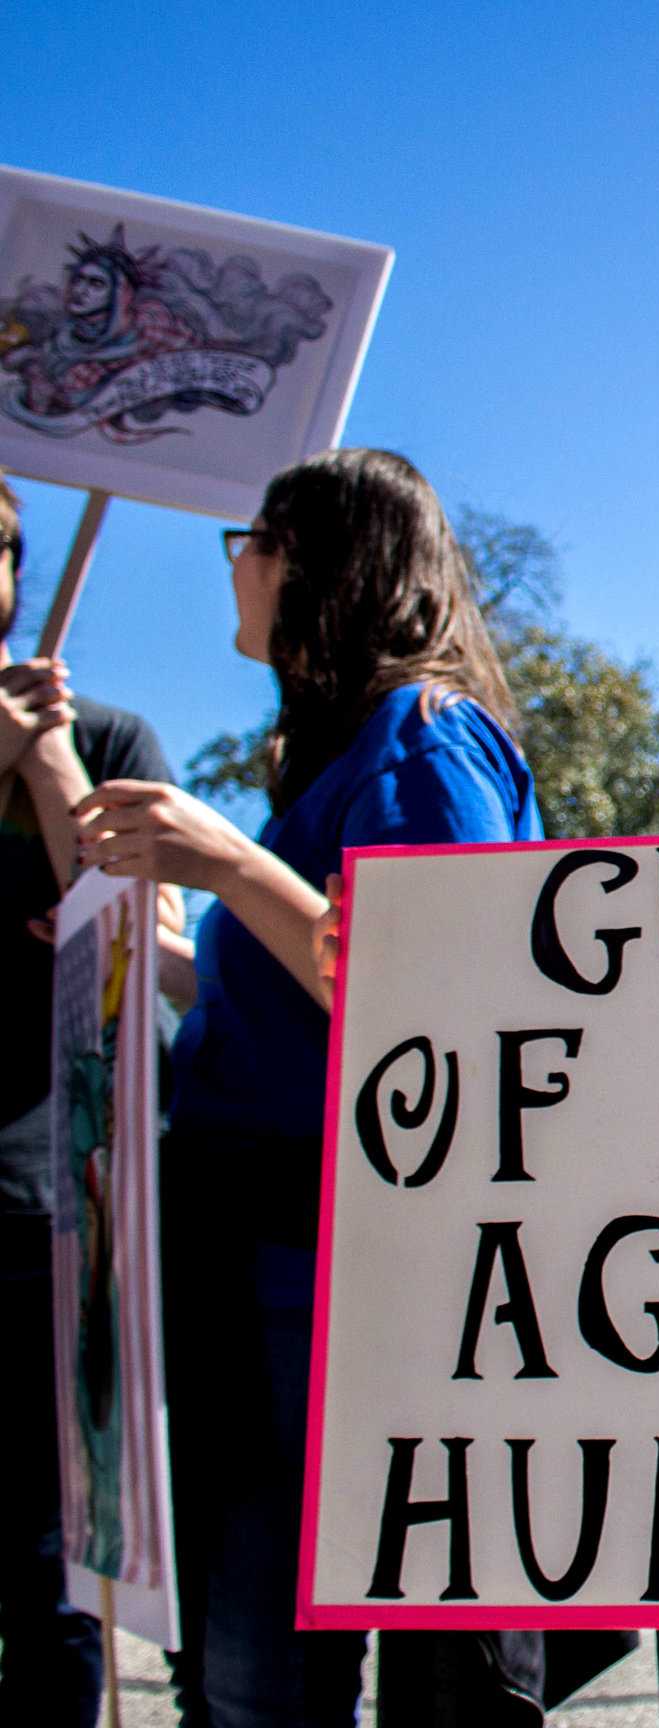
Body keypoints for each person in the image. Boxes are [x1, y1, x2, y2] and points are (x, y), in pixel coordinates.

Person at [71, 448, 544, 1725]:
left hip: (324, 1275)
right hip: (263, 1272)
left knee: (259, 1677)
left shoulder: (428, 741)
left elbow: (441, 996)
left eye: (252, 541)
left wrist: (228, 864)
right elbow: (298, 992)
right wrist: (161, 956)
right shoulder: (349, 753)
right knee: (245, 1660)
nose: (237, 569)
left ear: (319, 564)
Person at [1, 470, 183, 1725]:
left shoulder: (108, 740)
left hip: (47, 1213)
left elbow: (128, 936)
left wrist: (44, 756)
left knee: (54, 1590)